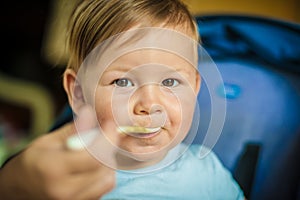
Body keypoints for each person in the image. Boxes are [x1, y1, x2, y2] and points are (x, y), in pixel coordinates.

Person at [0, 0, 244, 199]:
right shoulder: (65, 178)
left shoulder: (209, 174)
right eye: (123, 82)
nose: (149, 105)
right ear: (79, 94)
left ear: (194, 88)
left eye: (170, 82)